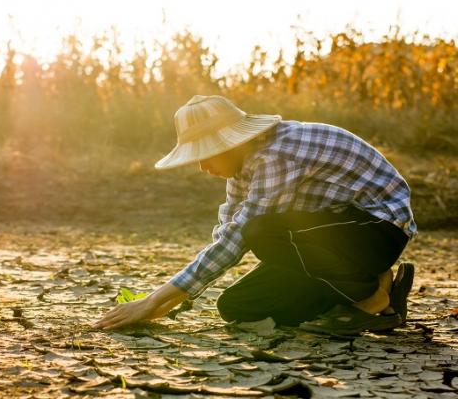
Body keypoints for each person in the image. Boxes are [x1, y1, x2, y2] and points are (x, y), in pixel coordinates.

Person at [94, 95, 416, 336]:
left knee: (262, 231)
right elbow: (226, 231)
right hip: (332, 234)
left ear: (230, 143)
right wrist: (172, 300)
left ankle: (371, 296)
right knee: (238, 306)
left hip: (377, 228)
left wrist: (152, 301)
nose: (202, 167)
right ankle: (378, 290)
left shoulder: (275, 155)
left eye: (205, 156)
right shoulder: (242, 166)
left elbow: (240, 237)